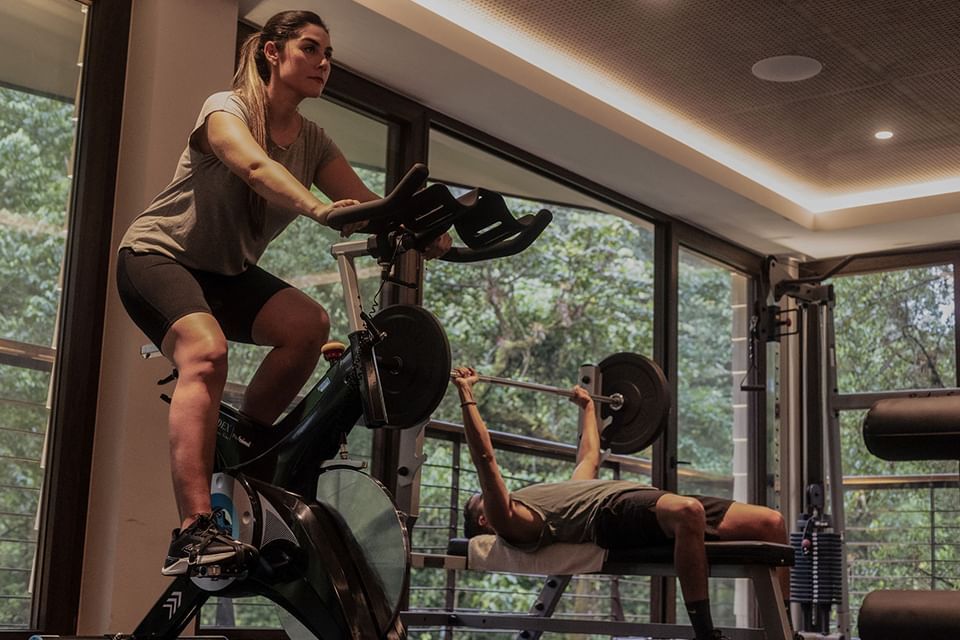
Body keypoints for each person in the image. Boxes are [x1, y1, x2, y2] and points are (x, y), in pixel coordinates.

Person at [116, 10, 450, 578]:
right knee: (206, 351)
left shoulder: (314, 140)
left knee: (307, 326)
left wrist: (416, 226)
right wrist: (318, 206)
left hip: (225, 273)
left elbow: (368, 206)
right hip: (158, 257)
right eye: (311, 49)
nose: (324, 63)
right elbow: (251, 165)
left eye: (328, 54)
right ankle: (194, 531)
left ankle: (248, 453)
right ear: (273, 52)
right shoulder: (227, 108)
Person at [452, 366, 789, 640]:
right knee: (688, 512)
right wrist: (467, 395)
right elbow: (485, 459)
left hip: (637, 496)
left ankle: (786, 629)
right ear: (483, 521)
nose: (486, 494)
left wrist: (587, 408)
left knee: (771, 522)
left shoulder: (551, 496)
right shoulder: (509, 522)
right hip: (607, 515)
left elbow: (589, 458)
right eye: (480, 498)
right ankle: (705, 633)